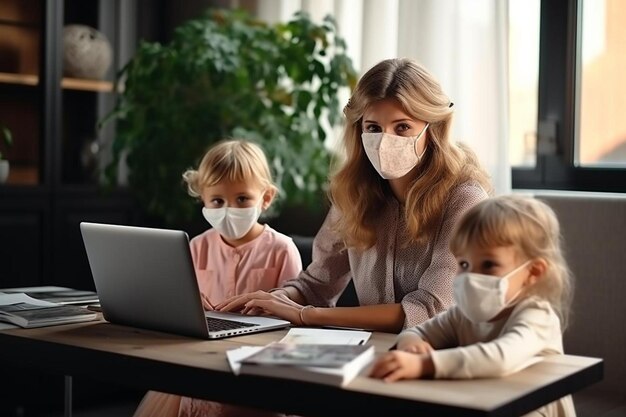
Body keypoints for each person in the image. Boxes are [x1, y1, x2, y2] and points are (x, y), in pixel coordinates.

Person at [216, 57, 493, 333]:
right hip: (373, 353)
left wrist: (305, 315)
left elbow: (430, 310)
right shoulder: (355, 191)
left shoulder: (465, 199)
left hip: (444, 357)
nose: (385, 140)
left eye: (402, 127)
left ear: (433, 129)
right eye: (373, 128)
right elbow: (316, 285)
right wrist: (272, 301)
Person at [133, 139, 303, 417]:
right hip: (200, 361)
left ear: (266, 198)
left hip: (257, 366)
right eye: (218, 201)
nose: (229, 209)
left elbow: (294, 321)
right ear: (203, 200)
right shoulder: (195, 247)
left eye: (242, 199)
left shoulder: (282, 249)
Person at [369, 194, 576, 417]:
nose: (471, 276)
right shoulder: (463, 315)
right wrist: (412, 345)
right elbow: (417, 331)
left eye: (489, 264)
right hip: (485, 404)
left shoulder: (537, 316)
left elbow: (501, 357)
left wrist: (425, 364)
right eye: (464, 264)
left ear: (533, 272)